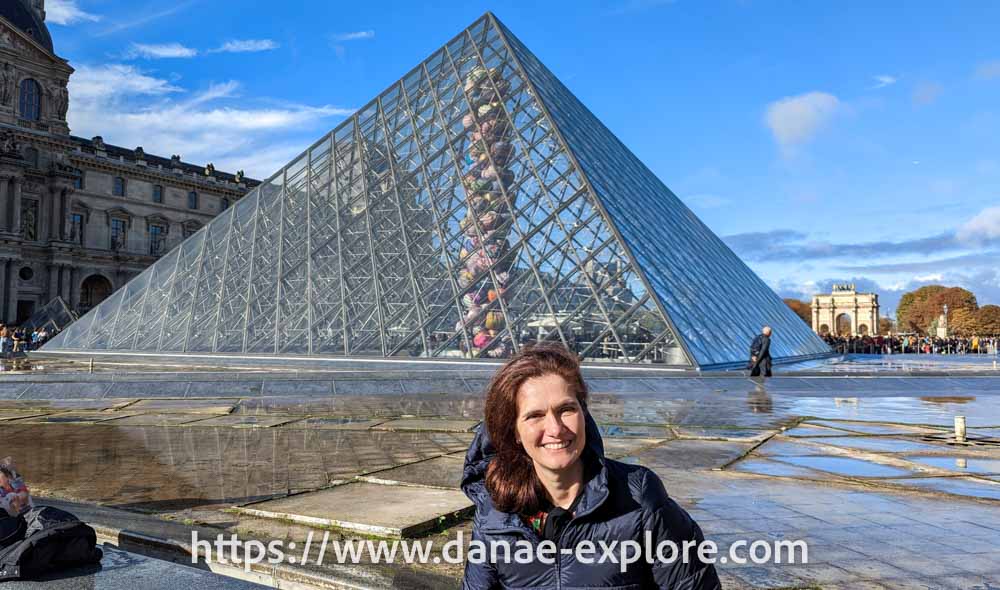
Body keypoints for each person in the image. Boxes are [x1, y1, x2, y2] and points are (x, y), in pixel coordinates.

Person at [462, 343, 721, 589]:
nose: (555, 429)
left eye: (566, 409)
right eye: (535, 415)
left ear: (584, 414)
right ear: (515, 432)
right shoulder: (494, 509)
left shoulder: (639, 498)